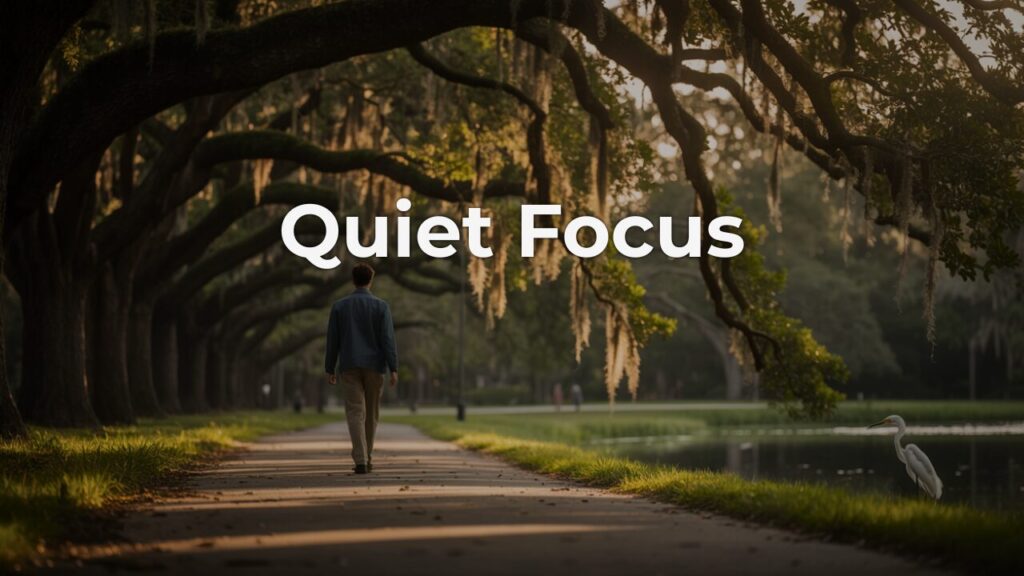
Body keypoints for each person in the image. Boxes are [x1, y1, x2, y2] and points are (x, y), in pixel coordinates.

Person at [325, 263, 398, 474]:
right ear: (370, 281)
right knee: (371, 414)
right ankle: (368, 456)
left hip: (349, 365)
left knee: (355, 412)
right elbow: (387, 340)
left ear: (353, 280)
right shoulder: (381, 306)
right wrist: (393, 367)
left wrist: (330, 367)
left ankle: (361, 459)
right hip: (375, 366)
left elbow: (333, 340)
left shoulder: (339, 306)